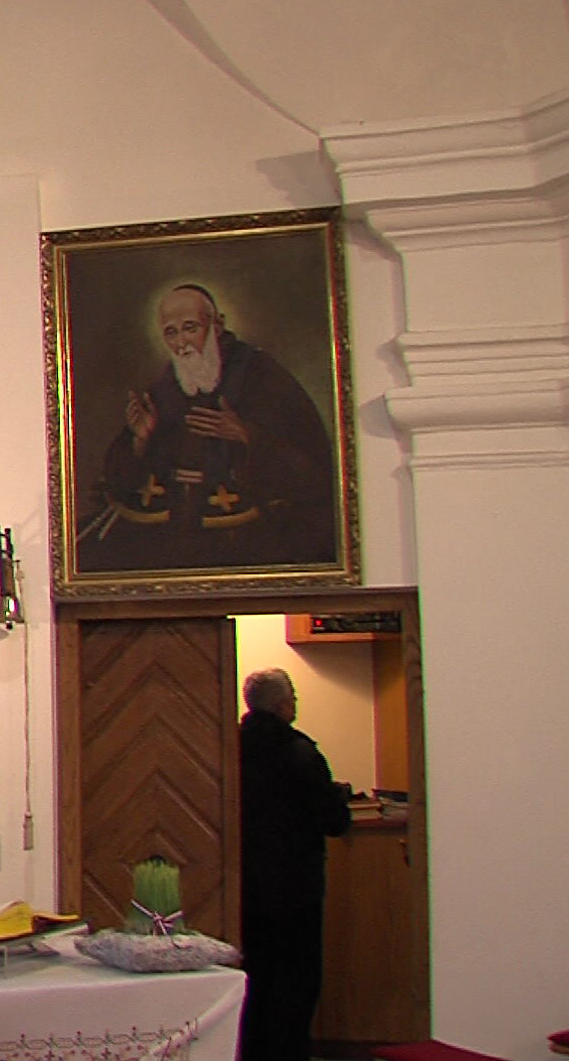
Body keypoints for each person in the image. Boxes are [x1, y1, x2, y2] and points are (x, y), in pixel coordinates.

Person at [79, 284, 335, 573]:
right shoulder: (165, 385)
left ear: (217, 325)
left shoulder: (260, 374)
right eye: (171, 332)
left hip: (247, 529)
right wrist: (140, 441)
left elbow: (313, 468)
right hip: (173, 525)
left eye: (190, 328)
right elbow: (118, 482)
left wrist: (247, 436)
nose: (181, 343)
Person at [239, 667, 352, 1061]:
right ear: (283, 705)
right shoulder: (300, 753)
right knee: (296, 982)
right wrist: (338, 798)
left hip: (243, 888)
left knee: (252, 980)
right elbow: (333, 821)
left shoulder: (227, 748)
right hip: (295, 889)